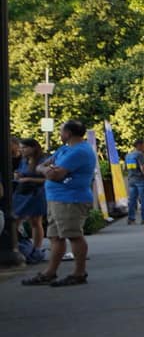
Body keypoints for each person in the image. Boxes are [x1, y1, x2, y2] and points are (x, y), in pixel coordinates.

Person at [22, 120, 97, 286]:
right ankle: (50, 272)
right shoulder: (65, 149)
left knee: (73, 235)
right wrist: (46, 169)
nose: (59, 134)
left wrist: (49, 170)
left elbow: (54, 175)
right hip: (57, 198)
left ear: (68, 133)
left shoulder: (79, 151)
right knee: (55, 237)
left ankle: (79, 273)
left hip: (71, 199)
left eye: (61, 131)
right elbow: (41, 167)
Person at [12, 137, 49, 265]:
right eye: (21, 148)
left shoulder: (43, 160)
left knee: (35, 221)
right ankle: (18, 248)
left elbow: (48, 180)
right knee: (15, 220)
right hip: (22, 193)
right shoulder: (24, 160)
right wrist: (19, 175)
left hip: (36, 193)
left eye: (24, 148)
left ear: (33, 148)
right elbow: (22, 173)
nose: (21, 150)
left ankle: (36, 249)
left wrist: (29, 180)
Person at [121, 142, 144, 224]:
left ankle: (131, 219)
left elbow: (124, 168)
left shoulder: (128, 155)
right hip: (142, 179)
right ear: (139, 146)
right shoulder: (140, 155)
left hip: (132, 179)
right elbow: (142, 167)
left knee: (132, 200)